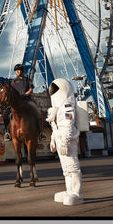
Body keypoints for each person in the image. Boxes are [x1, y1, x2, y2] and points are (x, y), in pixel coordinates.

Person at [46, 78, 84, 206]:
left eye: (55, 90)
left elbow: (68, 125)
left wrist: (65, 141)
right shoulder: (55, 109)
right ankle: (70, 190)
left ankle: (77, 193)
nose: (53, 93)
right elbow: (55, 127)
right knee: (66, 169)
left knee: (72, 166)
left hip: (68, 140)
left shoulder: (67, 107)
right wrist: (53, 140)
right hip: (59, 139)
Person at [3, 64, 34, 140]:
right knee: (6, 113)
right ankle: (7, 132)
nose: (17, 71)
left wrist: (24, 95)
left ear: (22, 71)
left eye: (19, 70)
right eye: (16, 71)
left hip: (26, 100)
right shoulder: (13, 82)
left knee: (36, 112)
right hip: (16, 102)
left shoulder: (27, 80)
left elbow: (31, 90)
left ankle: (40, 132)